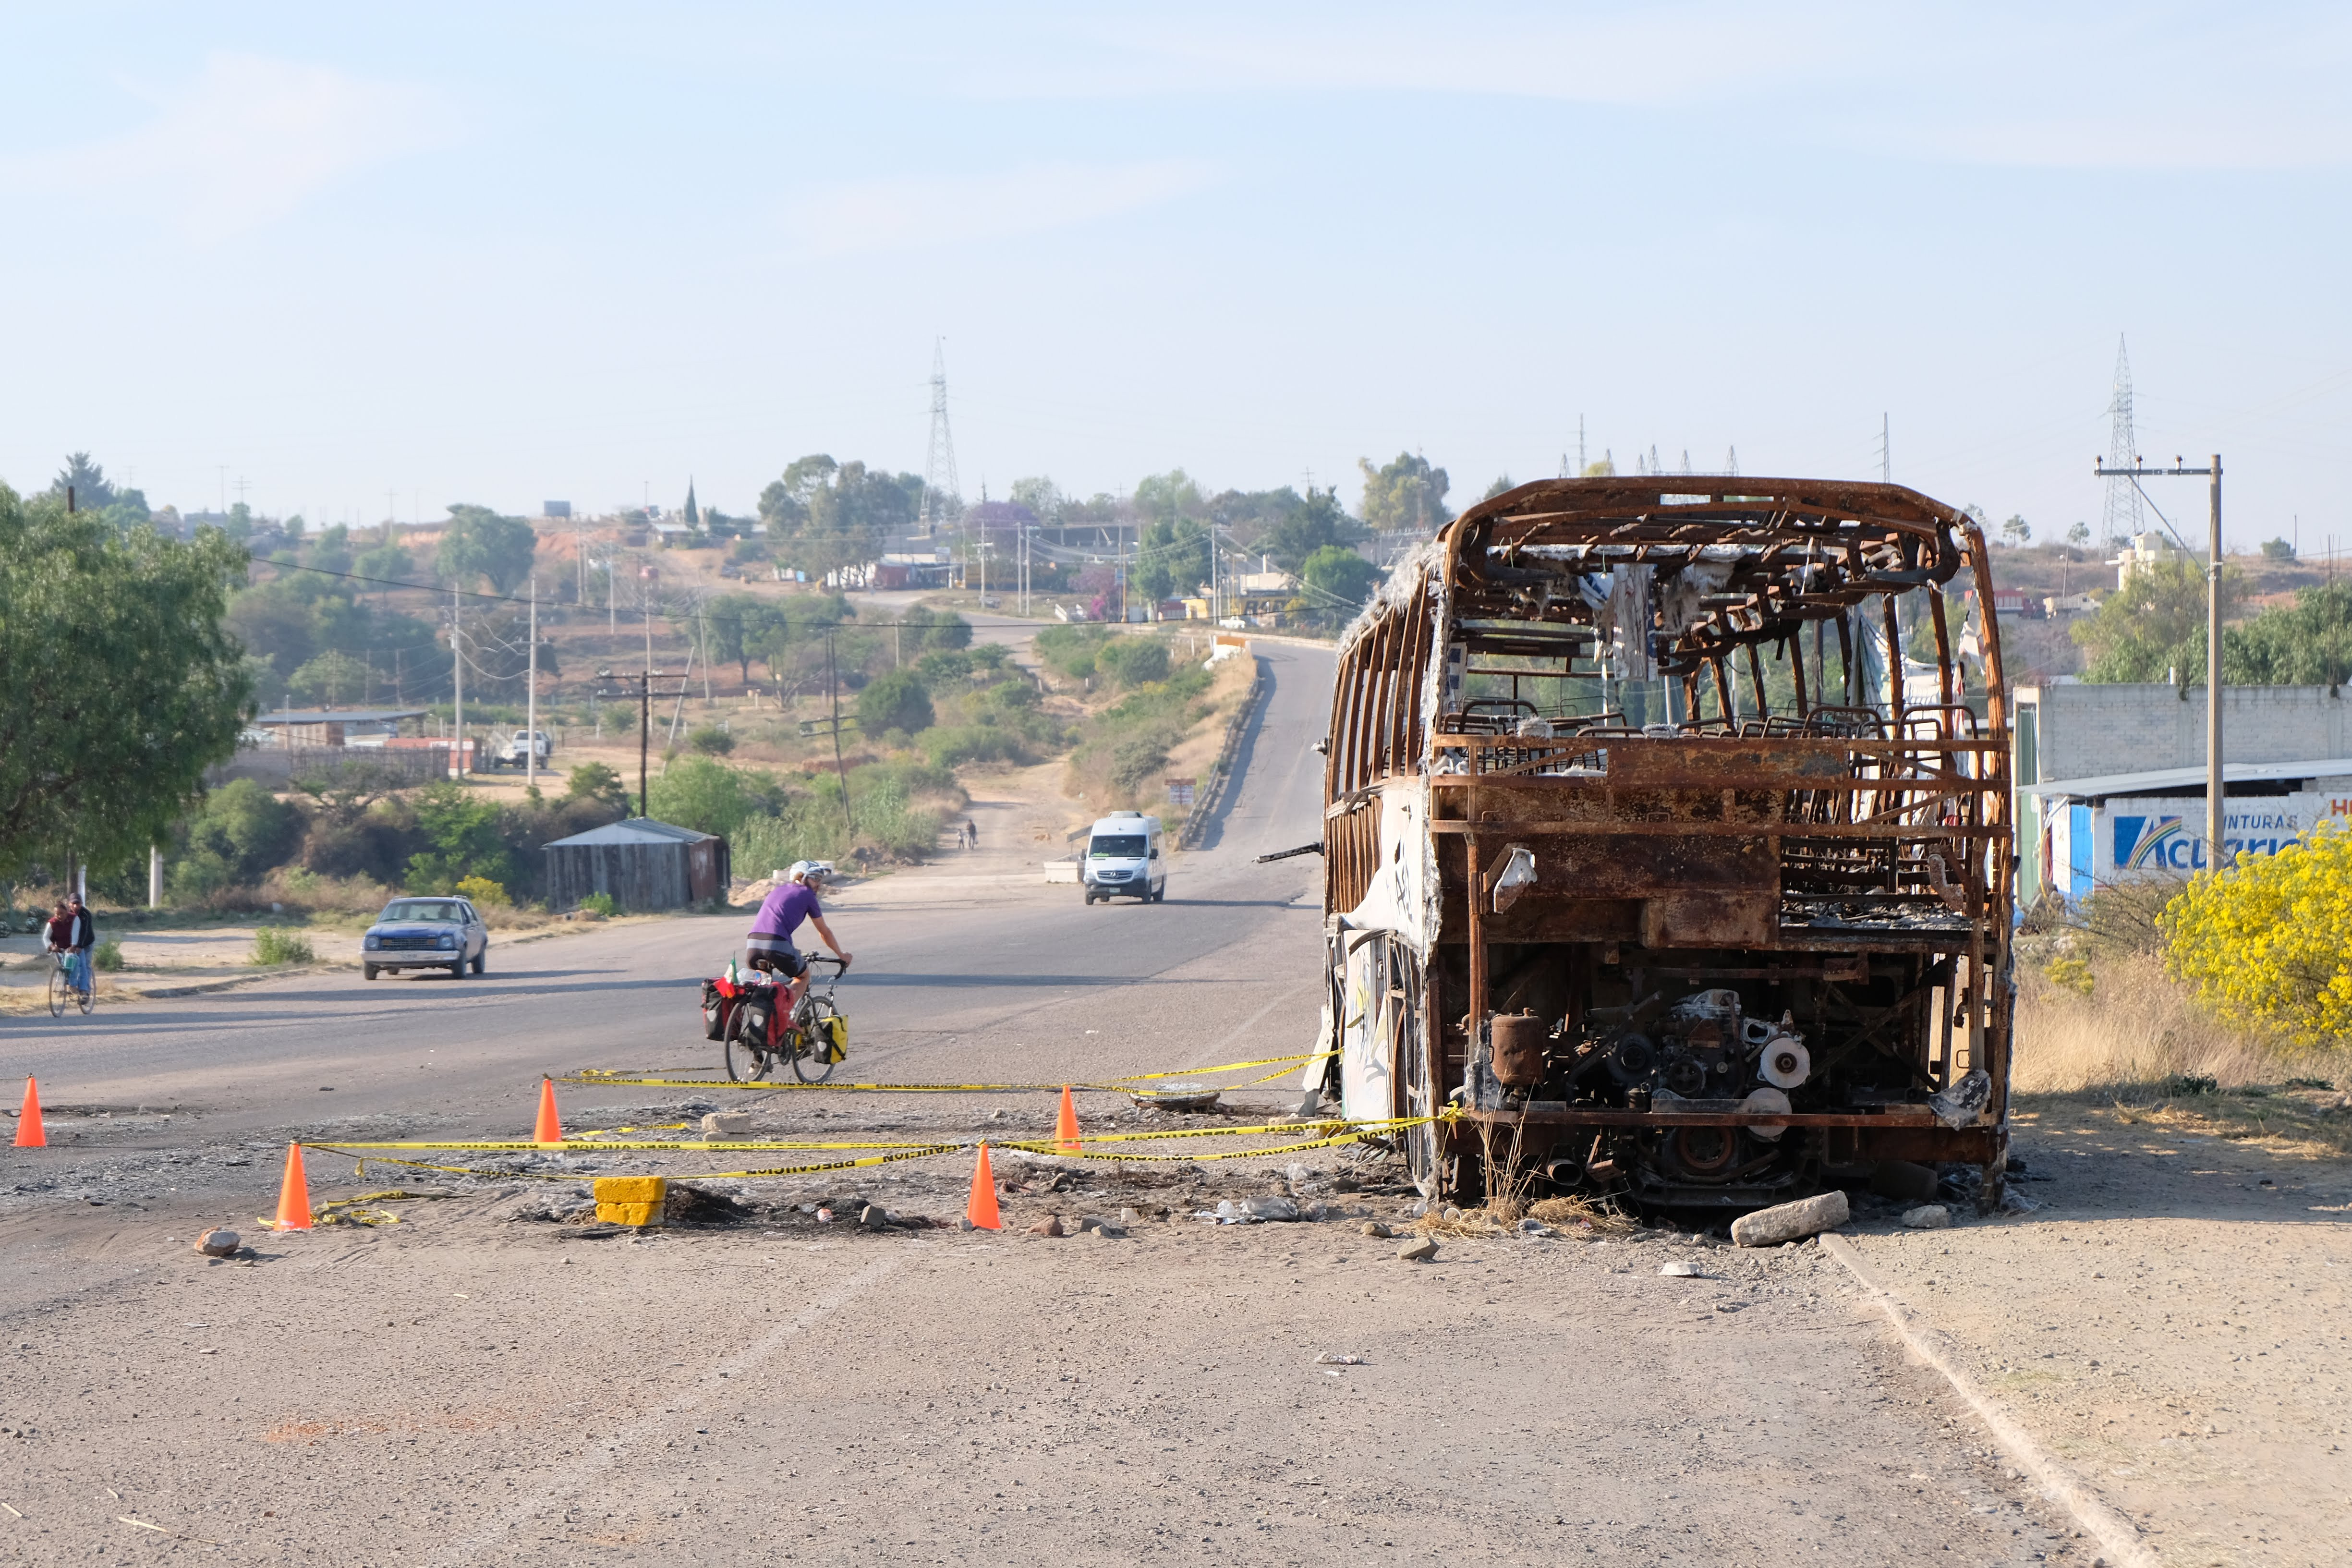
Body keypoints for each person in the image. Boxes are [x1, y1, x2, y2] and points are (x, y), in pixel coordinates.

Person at [743, 862, 850, 1015]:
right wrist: (842, 956)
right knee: (803, 976)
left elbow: (774, 923)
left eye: (820, 879)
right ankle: (783, 1015)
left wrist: (790, 949)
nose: (818, 884)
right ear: (800, 877)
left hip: (753, 945)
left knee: (763, 988)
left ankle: (762, 1029)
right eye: (814, 878)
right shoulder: (807, 895)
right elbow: (824, 932)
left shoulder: (777, 891)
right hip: (777, 944)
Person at [66, 894, 96, 998]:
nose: (75, 906)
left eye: (77, 904)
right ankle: (69, 983)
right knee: (68, 962)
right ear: (69, 904)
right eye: (73, 904)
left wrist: (80, 946)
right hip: (71, 943)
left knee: (85, 965)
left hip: (86, 943)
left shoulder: (86, 915)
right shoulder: (64, 913)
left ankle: (85, 990)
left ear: (81, 904)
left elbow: (84, 932)